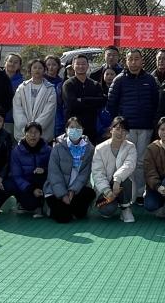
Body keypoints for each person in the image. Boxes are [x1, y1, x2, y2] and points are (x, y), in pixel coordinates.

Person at [106, 48, 159, 203]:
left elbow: (156, 102)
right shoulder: (119, 80)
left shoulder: (150, 80)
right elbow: (111, 104)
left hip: (145, 127)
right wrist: (120, 124)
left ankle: (139, 193)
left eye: (137, 59)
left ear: (142, 61)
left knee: (141, 162)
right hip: (126, 129)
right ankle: (126, 193)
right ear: (126, 61)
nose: (134, 62)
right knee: (125, 161)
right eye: (130, 59)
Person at [45, 116, 96, 223]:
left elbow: (85, 173)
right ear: (66, 130)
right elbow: (54, 173)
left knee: (88, 196)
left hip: (76, 190)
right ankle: (54, 208)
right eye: (72, 127)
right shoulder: (57, 147)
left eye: (78, 127)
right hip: (56, 190)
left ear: (82, 129)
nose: (75, 130)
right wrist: (63, 194)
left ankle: (70, 209)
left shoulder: (89, 149)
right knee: (64, 218)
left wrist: (73, 190)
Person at [90, 116, 137, 222]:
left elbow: (129, 165)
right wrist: (107, 191)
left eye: (124, 130)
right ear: (111, 129)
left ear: (127, 133)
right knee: (107, 210)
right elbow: (97, 173)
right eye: (117, 129)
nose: (120, 132)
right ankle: (113, 203)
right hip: (105, 187)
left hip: (122, 186)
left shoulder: (131, 147)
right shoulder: (100, 148)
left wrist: (117, 179)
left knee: (125, 178)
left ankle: (125, 208)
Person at [8, 121, 52, 217]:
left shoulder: (48, 150)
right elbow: (16, 176)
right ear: (25, 133)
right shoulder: (16, 152)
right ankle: (24, 203)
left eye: (36, 132)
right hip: (26, 185)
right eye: (30, 132)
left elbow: (54, 169)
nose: (33, 135)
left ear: (40, 134)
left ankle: (45, 203)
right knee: (29, 204)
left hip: (43, 182)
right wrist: (32, 189)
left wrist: (44, 170)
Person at [62, 54, 107, 144]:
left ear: (87, 65)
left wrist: (82, 99)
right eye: (78, 64)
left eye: (83, 64)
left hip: (91, 126)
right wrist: (92, 101)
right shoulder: (68, 84)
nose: (81, 66)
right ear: (73, 66)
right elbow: (72, 104)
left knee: (90, 150)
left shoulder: (95, 84)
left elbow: (101, 101)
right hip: (74, 126)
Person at [12, 58, 58, 138]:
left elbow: (49, 111)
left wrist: (36, 127)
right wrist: (25, 127)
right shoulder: (22, 87)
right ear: (30, 70)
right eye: (34, 67)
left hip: (43, 133)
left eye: (40, 68)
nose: (37, 70)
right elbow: (17, 108)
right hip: (23, 132)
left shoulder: (50, 89)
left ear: (44, 70)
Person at [43, 55, 66, 140]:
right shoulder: (40, 81)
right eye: (48, 65)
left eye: (54, 65)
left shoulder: (62, 83)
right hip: (43, 115)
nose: (51, 67)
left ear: (58, 66)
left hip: (58, 117)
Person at [2, 53, 24, 133]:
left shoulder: (23, 83)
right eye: (10, 61)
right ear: (5, 62)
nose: (12, 64)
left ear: (19, 66)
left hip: (14, 121)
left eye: (16, 62)